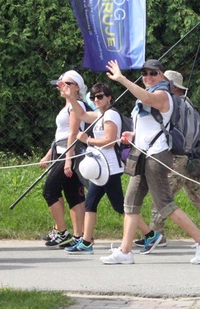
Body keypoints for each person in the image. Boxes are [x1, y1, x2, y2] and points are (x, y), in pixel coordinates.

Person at [101, 59, 200, 265]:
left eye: (153, 73)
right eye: (144, 73)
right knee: (131, 203)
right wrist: (132, 134)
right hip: (142, 154)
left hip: (156, 156)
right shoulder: (148, 97)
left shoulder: (162, 95)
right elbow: (149, 126)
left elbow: (147, 97)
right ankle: (125, 251)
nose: (148, 77)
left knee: (165, 205)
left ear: (162, 76)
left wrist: (121, 79)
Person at [138, 70, 200, 248]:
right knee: (195, 193)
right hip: (189, 157)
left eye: (164, 82)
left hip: (178, 157)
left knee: (161, 196)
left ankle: (156, 235)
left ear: (173, 86)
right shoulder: (187, 104)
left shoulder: (176, 104)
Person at [62, 82, 149, 254]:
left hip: (110, 169)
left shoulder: (110, 115)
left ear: (109, 97)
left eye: (100, 96)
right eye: (93, 97)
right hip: (102, 169)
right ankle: (86, 242)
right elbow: (80, 114)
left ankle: (150, 234)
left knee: (119, 206)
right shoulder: (101, 115)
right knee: (90, 203)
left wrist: (88, 140)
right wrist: (71, 97)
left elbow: (109, 141)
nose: (96, 99)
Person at [39, 70, 87, 248]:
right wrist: (48, 154)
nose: (60, 87)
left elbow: (73, 134)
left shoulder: (76, 106)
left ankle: (62, 231)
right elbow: (61, 134)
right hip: (62, 153)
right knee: (73, 195)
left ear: (76, 87)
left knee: (50, 190)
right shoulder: (67, 106)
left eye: (65, 83)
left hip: (70, 154)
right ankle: (78, 236)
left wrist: (68, 160)